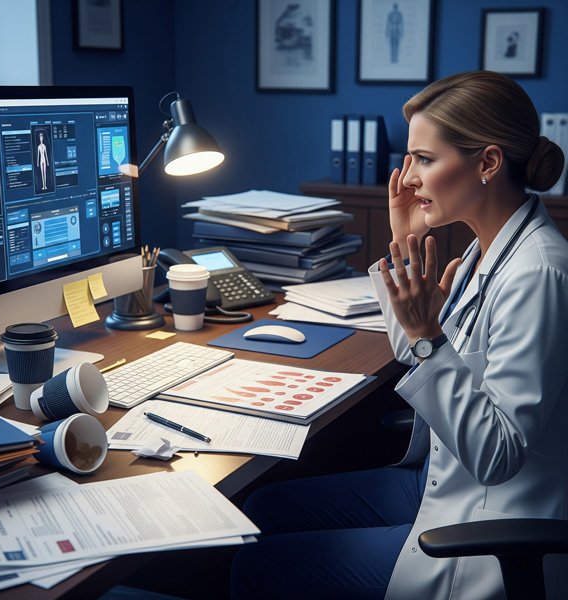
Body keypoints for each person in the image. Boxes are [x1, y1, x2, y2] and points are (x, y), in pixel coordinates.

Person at [230, 71, 568, 599]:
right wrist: (403, 244)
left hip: (485, 517)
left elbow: (499, 455)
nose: (408, 178)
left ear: (487, 163)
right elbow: (413, 352)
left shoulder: (538, 274)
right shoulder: (487, 248)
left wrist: (432, 338)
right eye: (408, 159)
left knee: (263, 565)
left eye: (425, 159)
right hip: (444, 479)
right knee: (263, 508)